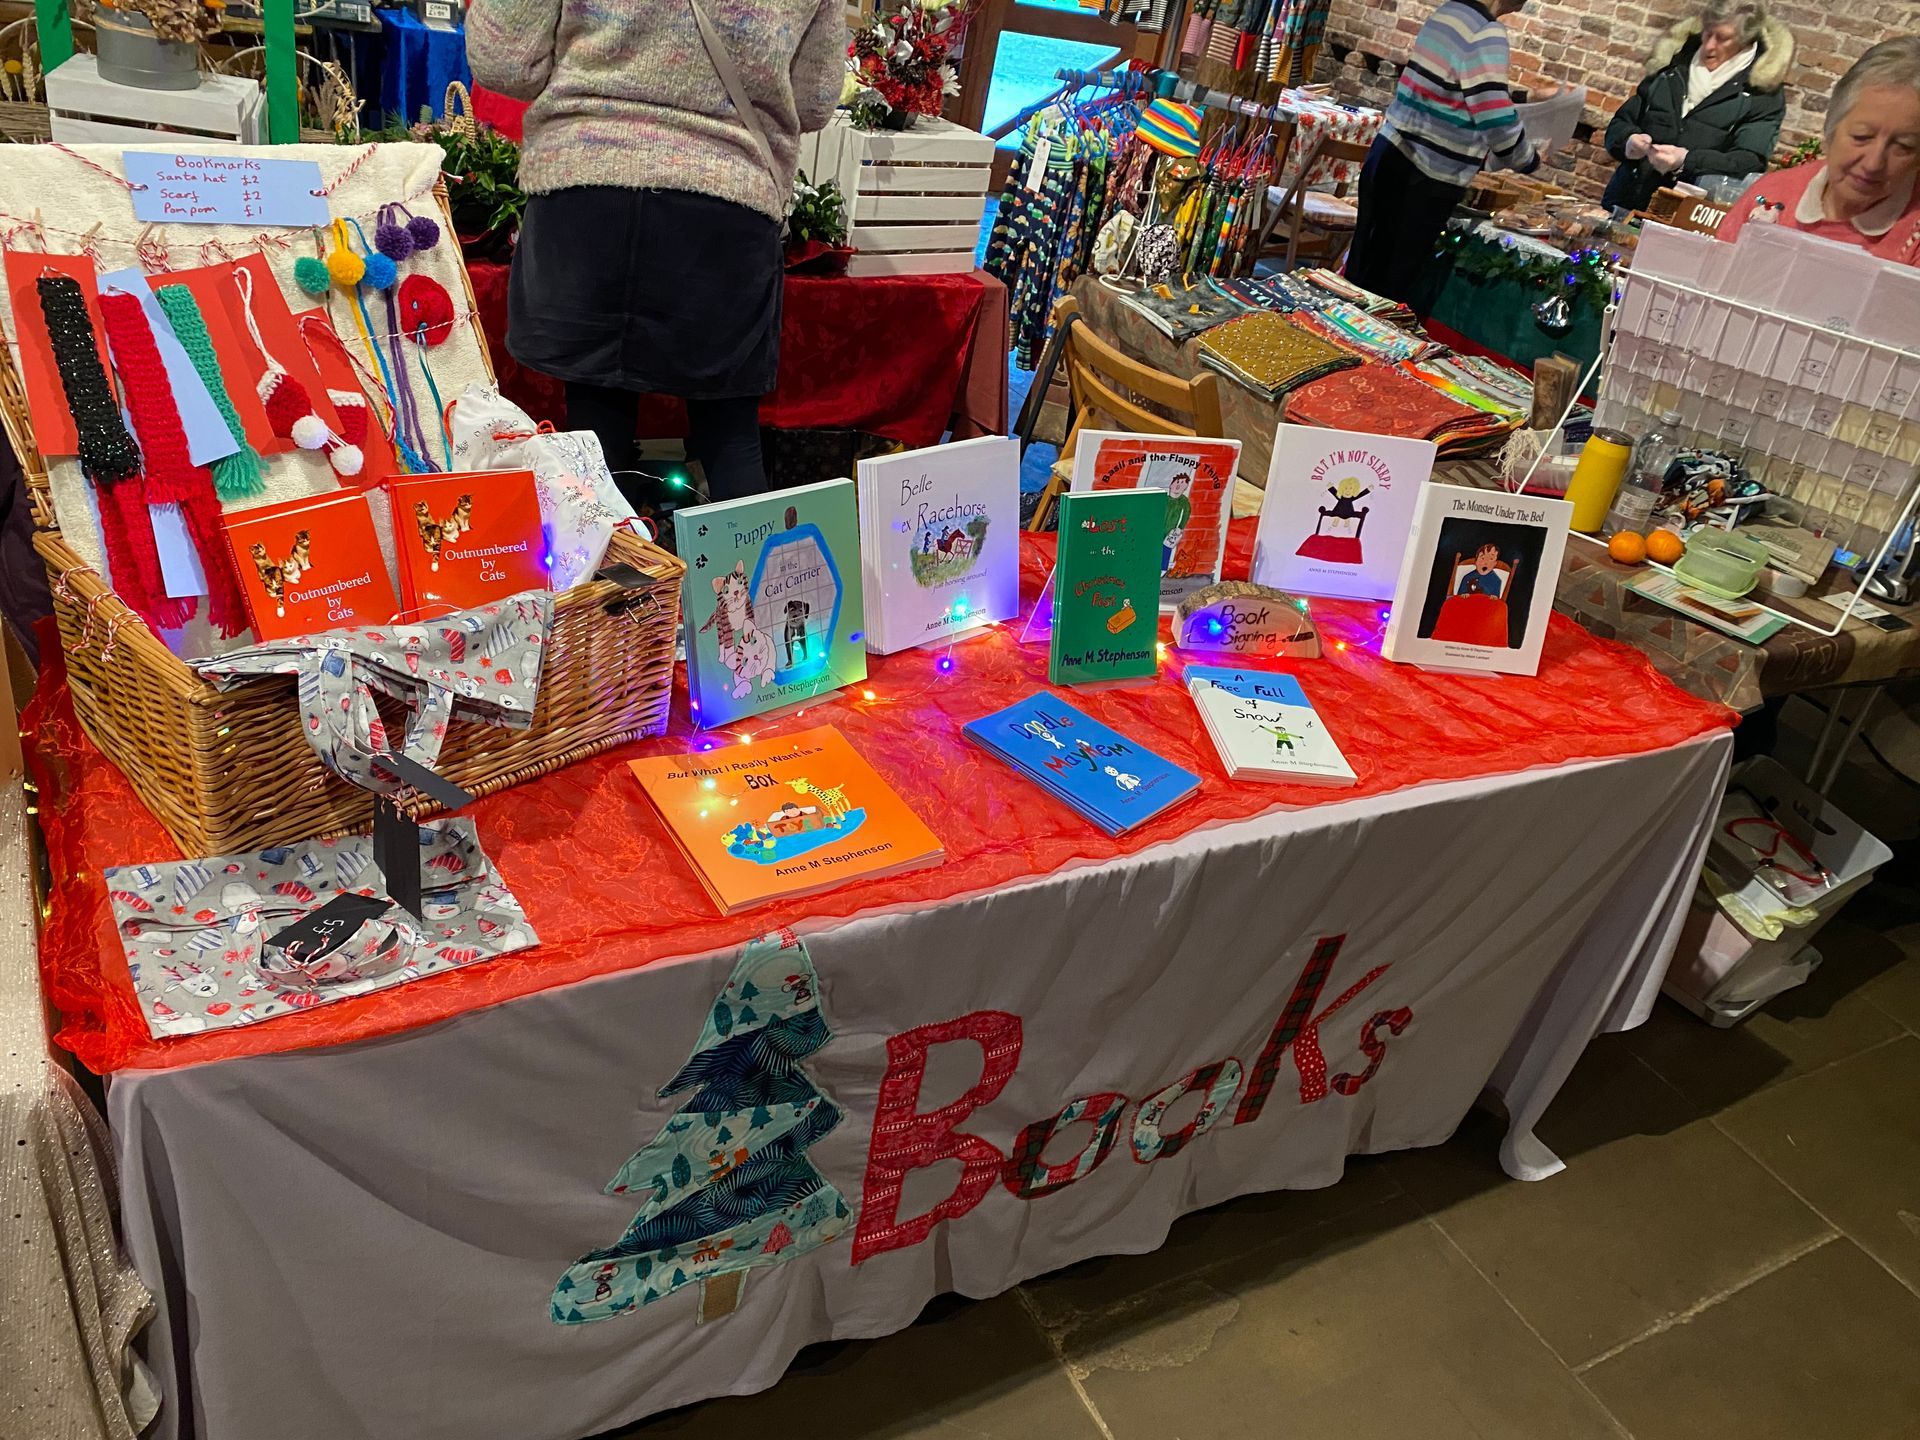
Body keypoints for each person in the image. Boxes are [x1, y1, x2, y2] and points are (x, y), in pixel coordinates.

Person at [467, 0, 846, 505]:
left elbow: (504, 62)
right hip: (727, 197)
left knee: (596, 433)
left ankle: (616, 580)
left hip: (588, 188)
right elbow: (815, 100)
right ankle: (758, 580)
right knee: (730, 431)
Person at [1346, 0, 1540, 309]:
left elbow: (1453, 88)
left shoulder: (1449, 13)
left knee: (1361, 275)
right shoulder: (1486, 32)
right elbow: (1493, 112)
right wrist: (1527, 158)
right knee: (1385, 295)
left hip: (1389, 154)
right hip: (1423, 176)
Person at [1718, 36, 1920, 263]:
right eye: (1861, 137)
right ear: (1831, 129)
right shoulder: (1772, 195)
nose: (1873, 163)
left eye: (1904, 146)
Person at [1602, 3, 1793, 213]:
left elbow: (1748, 161)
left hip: (1687, 215)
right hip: (1625, 200)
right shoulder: (1672, 62)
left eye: (1722, 38)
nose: (1709, 45)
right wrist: (1628, 141)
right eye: (1707, 33)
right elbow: (1622, 122)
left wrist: (1686, 160)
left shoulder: (1762, 91)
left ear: (1746, 40)